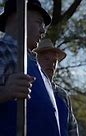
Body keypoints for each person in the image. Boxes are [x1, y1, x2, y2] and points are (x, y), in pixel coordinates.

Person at [0, 0, 61, 136]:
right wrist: (4, 92)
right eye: (39, 22)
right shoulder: (3, 49)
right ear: (19, 16)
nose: (43, 30)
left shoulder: (35, 64)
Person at [34, 38, 79, 136]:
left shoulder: (62, 94)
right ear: (36, 61)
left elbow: (72, 127)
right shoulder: (30, 88)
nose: (51, 64)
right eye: (46, 59)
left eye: (55, 61)